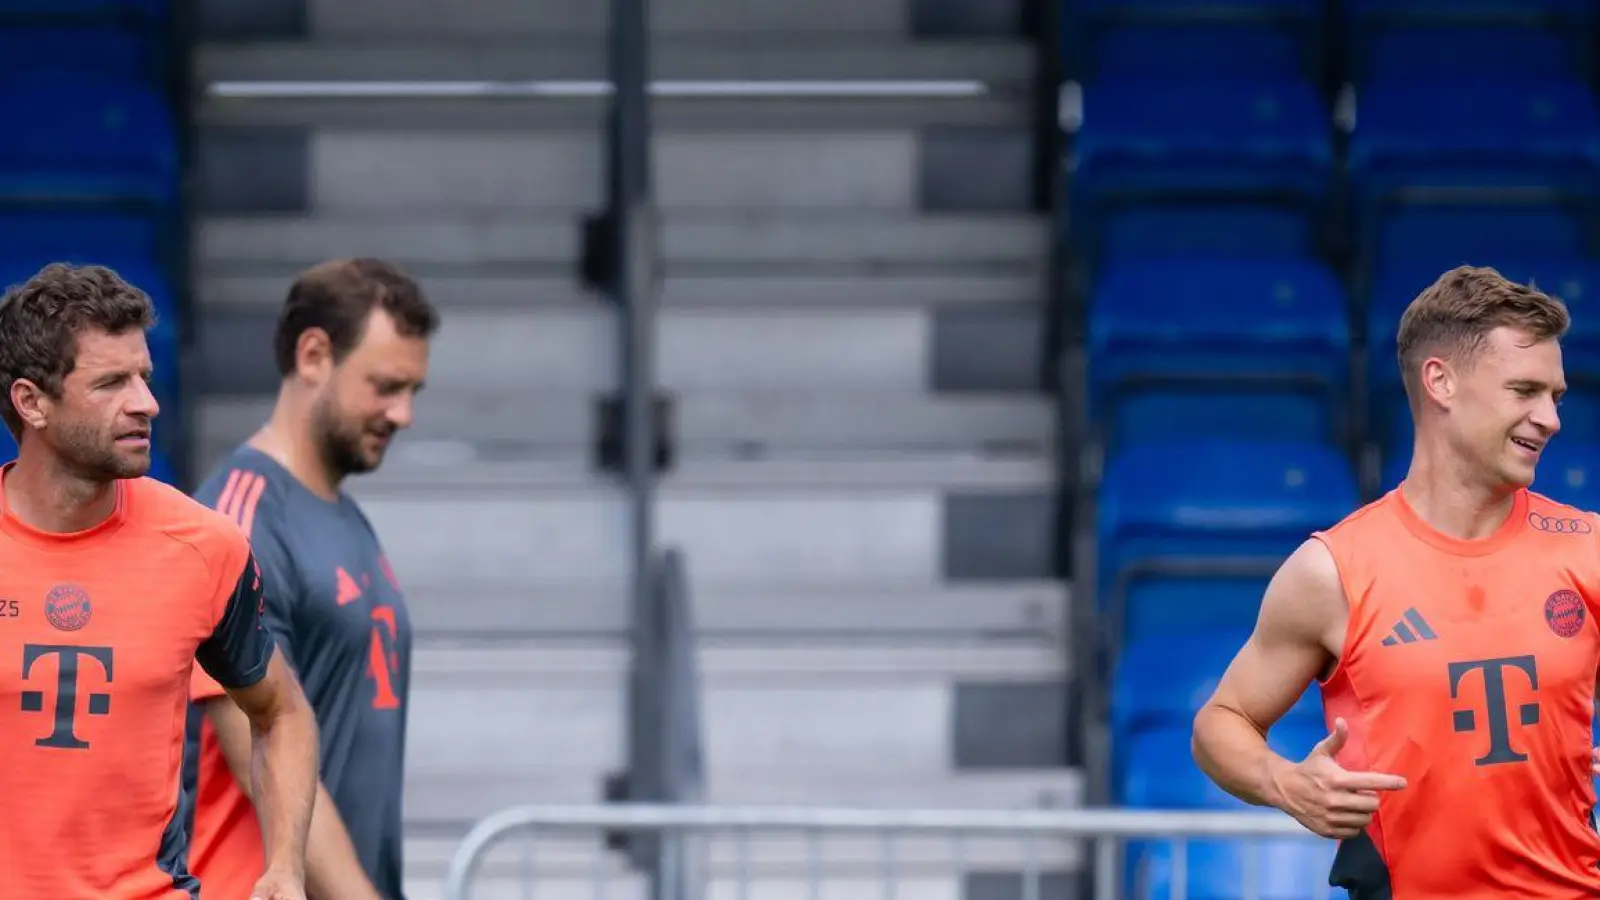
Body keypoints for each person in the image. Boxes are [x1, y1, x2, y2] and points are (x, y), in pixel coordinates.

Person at [1191, 265, 1600, 897]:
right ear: (1440, 381)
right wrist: (1286, 783)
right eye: (1524, 390)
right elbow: (1221, 721)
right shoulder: (1334, 570)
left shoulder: (1588, 547)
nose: (1550, 419)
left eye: (1556, 396)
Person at [0, 263, 318, 899]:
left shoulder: (204, 545)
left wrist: (285, 864)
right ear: (31, 402)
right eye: (112, 382)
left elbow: (281, 714)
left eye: (143, 376)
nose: (146, 402)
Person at [186, 258, 438, 900]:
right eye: (386, 386)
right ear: (314, 354)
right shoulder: (239, 517)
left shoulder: (345, 517)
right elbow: (258, 740)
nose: (403, 413)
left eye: (413, 391)